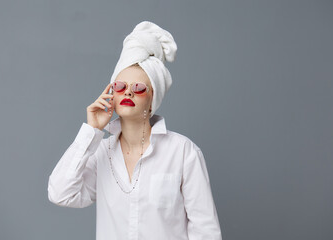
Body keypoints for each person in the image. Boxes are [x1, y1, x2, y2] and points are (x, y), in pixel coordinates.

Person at [48, 20, 222, 240]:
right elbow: (60, 194)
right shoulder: (101, 153)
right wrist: (91, 131)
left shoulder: (183, 152)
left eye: (139, 88)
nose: (128, 93)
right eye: (120, 86)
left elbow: (205, 230)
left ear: (153, 99)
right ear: (112, 93)